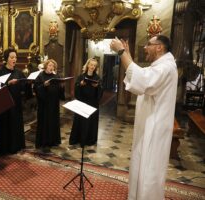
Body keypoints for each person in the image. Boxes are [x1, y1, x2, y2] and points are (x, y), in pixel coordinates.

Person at [110, 35, 178, 200]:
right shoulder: (161, 65)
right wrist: (127, 55)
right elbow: (141, 75)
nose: (145, 48)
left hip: (155, 128)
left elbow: (144, 81)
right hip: (150, 125)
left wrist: (121, 52)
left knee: (149, 171)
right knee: (143, 166)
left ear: (159, 47)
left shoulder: (166, 67)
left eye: (149, 44)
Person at [0, 48, 26, 155]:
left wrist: (28, 83)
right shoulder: (0, 72)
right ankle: (5, 148)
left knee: (15, 124)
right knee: (5, 126)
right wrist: (8, 84)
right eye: (12, 57)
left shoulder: (19, 72)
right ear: (6, 59)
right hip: (4, 104)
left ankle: (15, 146)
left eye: (15, 57)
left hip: (16, 103)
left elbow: (23, 86)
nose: (14, 59)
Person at [69, 58, 103, 146]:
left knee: (90, 121)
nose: (92, 67)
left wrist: (97, 86)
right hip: (82, 102)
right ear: (88, 65)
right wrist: (80, 84)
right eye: (91, 65)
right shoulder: (81, 76)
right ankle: (79, 139)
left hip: (92, 103)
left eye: (94, 66)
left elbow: (101, 90)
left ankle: (89, 140)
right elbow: (76, 87)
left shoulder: (97, 78)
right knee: (81, 121)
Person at [34, 59, 65, 148]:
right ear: (46, 66)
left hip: (54, 103)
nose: (52, 67)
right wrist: (44, 85)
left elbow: (60, 91)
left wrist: (62, 86)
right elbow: (36, 88)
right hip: (44, 104)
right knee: (44, 121)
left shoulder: (56, 76)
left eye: (53, 66)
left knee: (53, 121)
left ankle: (53, 141)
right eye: (50, 65)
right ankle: (44, 141)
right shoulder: (40, 76)